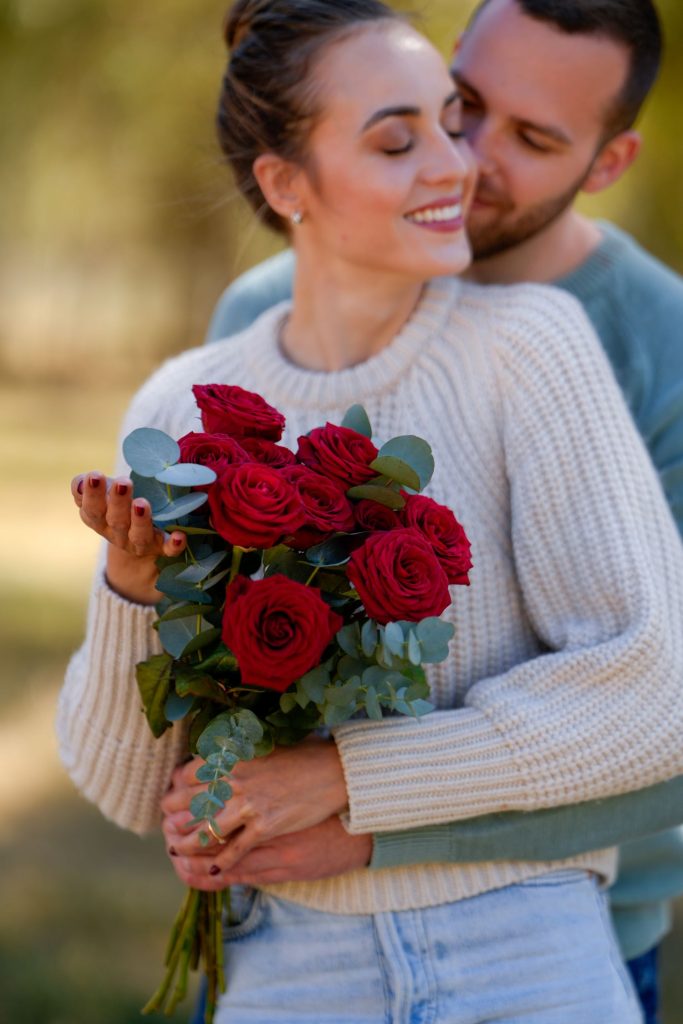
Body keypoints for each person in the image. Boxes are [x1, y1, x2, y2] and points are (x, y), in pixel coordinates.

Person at [58, 1, 683, 1020]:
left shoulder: (539, 345)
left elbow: (653, 694)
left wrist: (348, 776)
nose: (457, 164)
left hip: (523, 936)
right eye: (408, 136)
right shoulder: (186, 399)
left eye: (454, 125)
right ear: (283, 184)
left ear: (604, 158)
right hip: (282, 957)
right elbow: (131, 790)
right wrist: (131, 590)